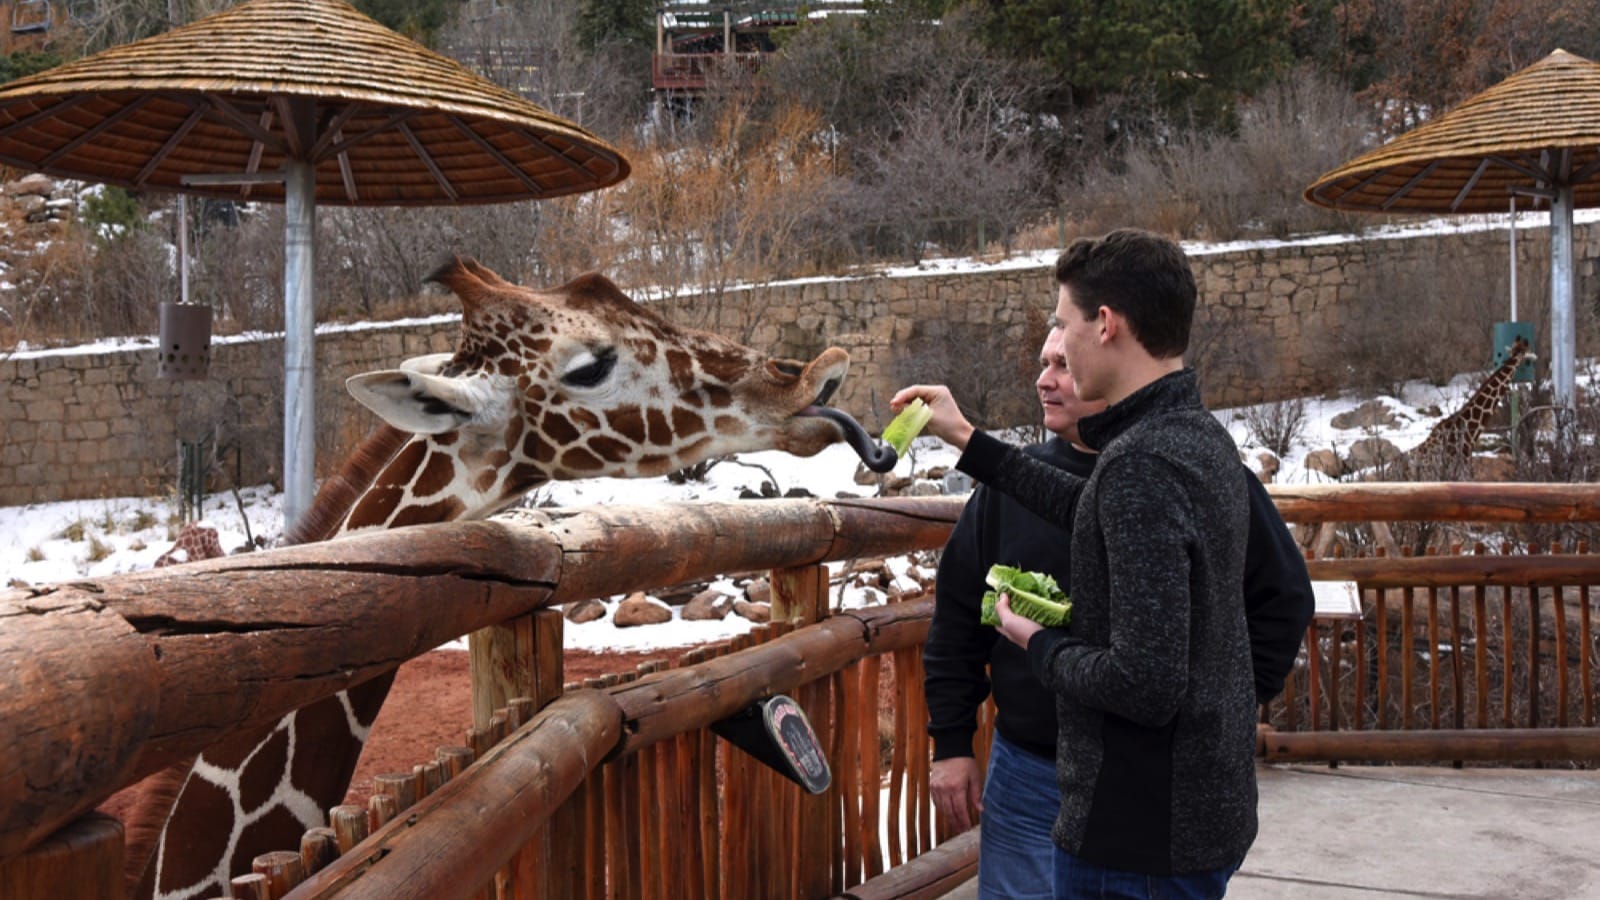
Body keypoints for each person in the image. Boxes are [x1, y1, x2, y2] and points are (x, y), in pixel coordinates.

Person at [894, 228, 1264, 898]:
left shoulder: (1143, 463)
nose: (1056, 346)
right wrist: (969, 441)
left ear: (1105, 324)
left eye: (1062, 326)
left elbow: (1144, 686)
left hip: (1138, 832)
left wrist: (1038, 644)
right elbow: (1100, 507)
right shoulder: (1195, 437)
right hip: (1196, 810)